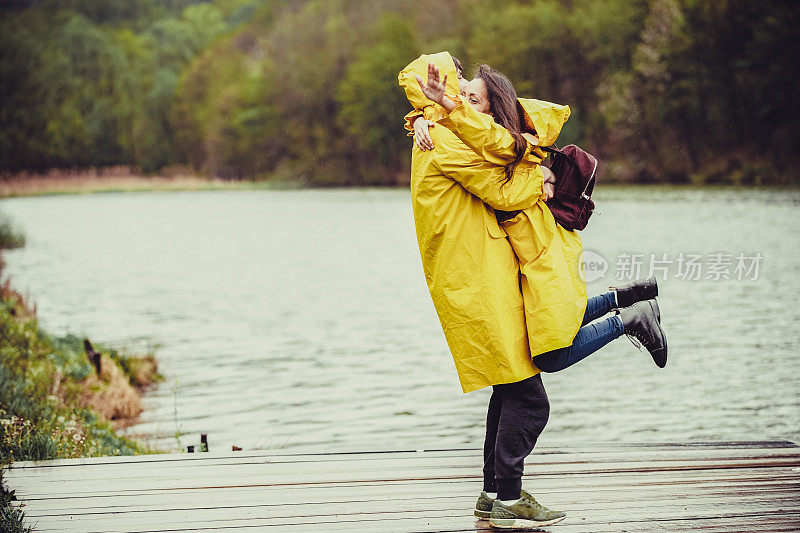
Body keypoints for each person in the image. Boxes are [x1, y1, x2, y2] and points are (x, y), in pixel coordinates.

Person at [398, 54, 667, 529]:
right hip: (477, 280)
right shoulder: (443, 137)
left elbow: (507, 145)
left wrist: (525, 162)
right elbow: (502, 191)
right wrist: (535, 177)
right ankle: (507, 497)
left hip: (489, 272)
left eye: (464, 86)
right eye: (455, 83)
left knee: (515, 382)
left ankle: (493, 495)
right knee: (530, 393)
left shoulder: (452, 130)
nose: (459, 90)